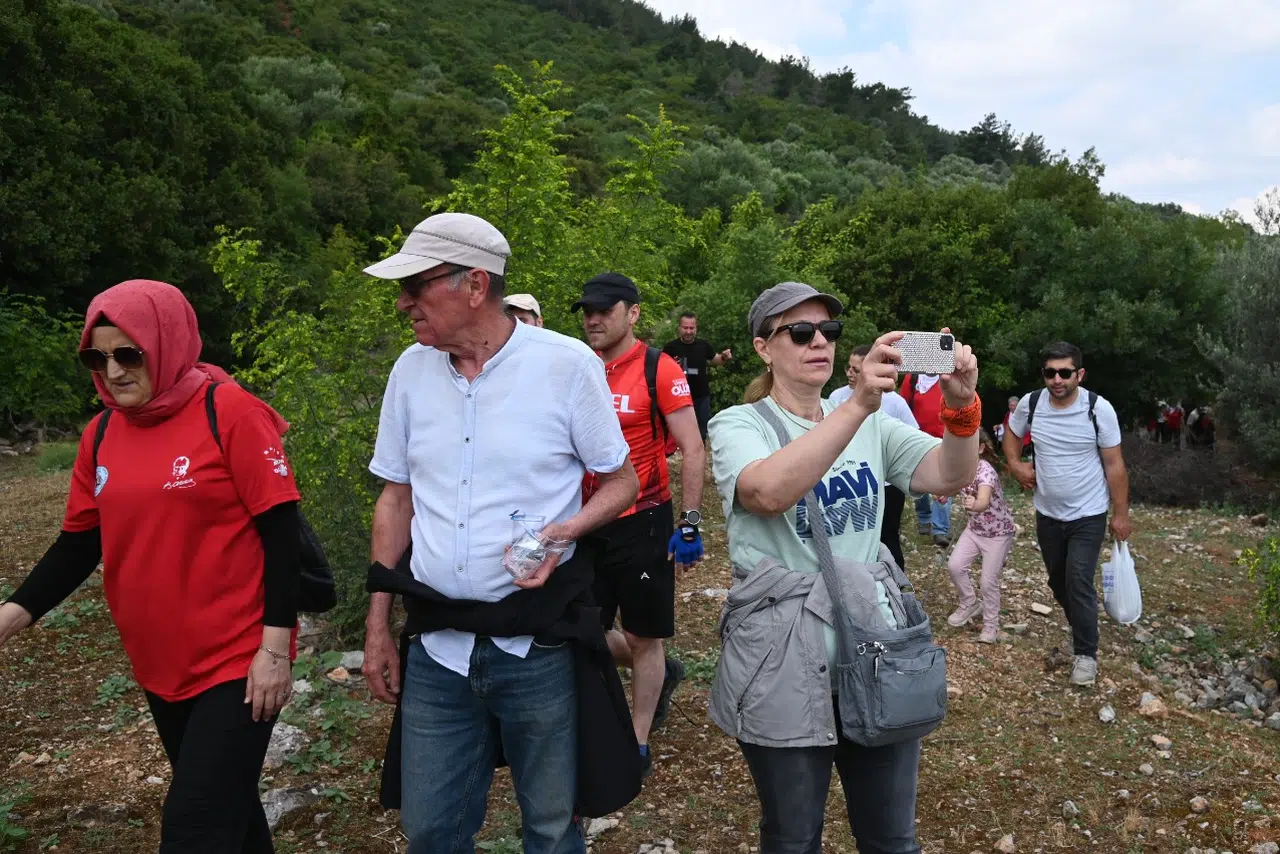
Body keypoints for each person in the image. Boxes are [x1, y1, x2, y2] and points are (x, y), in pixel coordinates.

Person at [360, 212, 639, 854]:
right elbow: (395, 500)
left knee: (550, 824)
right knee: (430, 828)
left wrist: (564, 530)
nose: (403, 303)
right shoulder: (410, 371)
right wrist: (378, 627)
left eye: (417, 286)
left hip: (538, 642)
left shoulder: (566, 366)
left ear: (475, 285)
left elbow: (621, 482)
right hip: (437, 646)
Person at [0, 280, 302, 853]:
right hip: (160, 660)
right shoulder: (103, 431)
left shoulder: (229, 412)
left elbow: (281, 537)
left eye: (128, 354)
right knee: (230, 814)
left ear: (166, 344)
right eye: (98, 356)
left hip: (236, 661)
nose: (112, 372)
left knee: (192, 828)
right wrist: (10, 616)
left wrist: (273, 651)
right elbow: (77, 545)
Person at [707, 281, 980, 854]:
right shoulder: (738, 424)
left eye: (828, 332)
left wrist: (961, 409)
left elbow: (947, 477)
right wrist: (857, 403)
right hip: (782, 659)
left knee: (891, 838)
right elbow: (766, 492)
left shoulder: (871, 423)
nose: (818, 343)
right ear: (763, 347)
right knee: (792, 837)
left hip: (873, 647)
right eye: (799, 332)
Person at [574, 272, 706, 775]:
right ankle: (601, 716)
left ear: (632, 313)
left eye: (606, 309)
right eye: (587, 309)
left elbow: (692, 448)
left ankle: (638, 739)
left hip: (644, 518)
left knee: (645, 635)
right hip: (586, 520)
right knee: (580, 629)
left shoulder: (659, 367)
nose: (593, 318)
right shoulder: (576, 366)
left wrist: (690, 523)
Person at [1003, 341, 1131, 688]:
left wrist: (1121, 514)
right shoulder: (1031, 404)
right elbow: (1012, 436)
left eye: (1065, 373)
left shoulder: (1097, 409)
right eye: (1050, 373)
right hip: (1047, 513)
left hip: (1089, 514)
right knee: (1057, 581)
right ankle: (1084, 624)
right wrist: (1015, 465)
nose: (1057, 380)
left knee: (1078, 580)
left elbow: (1115, 464)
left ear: (1080, 374)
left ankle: (1086, 654)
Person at [831, 345, 919, 569]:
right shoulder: (836, 398)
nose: (850, 374)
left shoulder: (894, 402)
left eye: (856, 370)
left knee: (888, 536)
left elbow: (914, 434)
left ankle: (896, 585)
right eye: (848, 368)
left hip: (887, 483)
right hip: (849, 481)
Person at [946, 430, 1016, 644]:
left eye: (969, 446)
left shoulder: (986, 472)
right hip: (975, 530)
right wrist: (943, 493)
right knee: (955, 566)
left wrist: (975, 504)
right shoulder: (962, 468)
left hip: (998, 534)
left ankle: (991, 626)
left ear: (980, 448)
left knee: (988, 581)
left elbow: (983, 500)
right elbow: (953, 484)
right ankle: (969, 602)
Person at [900, 371, 953, 547]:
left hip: (944, 439)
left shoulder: (948, 378)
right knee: (919, 482)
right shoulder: (912, 378)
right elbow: (903, 405)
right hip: (917, 439)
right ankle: (924, 517)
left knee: (943, 482)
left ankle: (941, 529)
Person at [663, 311, 731, 439]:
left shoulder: (703, 345)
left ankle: (701, 456)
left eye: (691, 328)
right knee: (680, 433)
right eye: (685, 328)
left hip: (701, 396)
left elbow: (716, 359)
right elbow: (660, 370)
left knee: (701, 432)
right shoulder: (670, 347)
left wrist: (724, 357)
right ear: (679, 328)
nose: (688, 331)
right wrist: (672, 367)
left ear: (696, 328)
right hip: (678, 397)